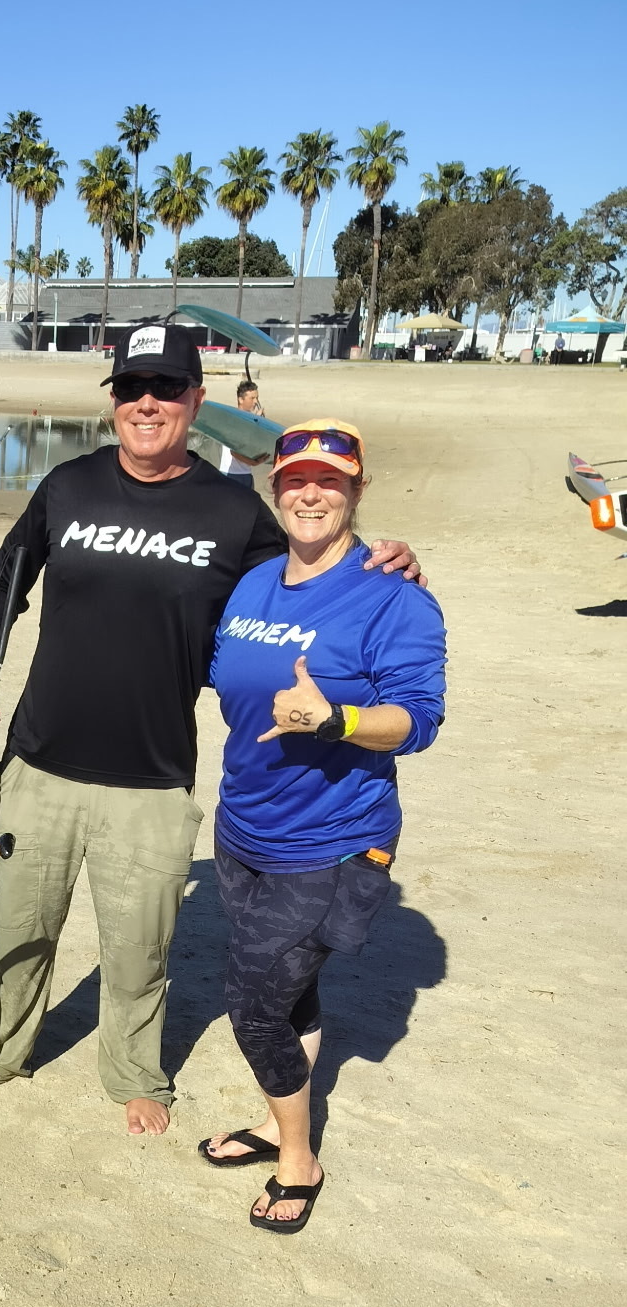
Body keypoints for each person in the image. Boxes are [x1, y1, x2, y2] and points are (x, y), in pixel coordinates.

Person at [0, 325, 421, 1136]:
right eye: (132, 389)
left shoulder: (233, 511)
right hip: (41, 758)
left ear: (196, 402)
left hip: (153, 775)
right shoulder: (69, 486)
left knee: (140, 948)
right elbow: (5, 577)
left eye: (166, 389)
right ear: (115, 403)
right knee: (21, 927)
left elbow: (314, 565)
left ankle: (134, 1071)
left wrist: (391, 561)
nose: (147, 405)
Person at [200, 421, 445, 1228]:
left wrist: (333, 717)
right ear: (276, 490)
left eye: (330, 482)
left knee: (255, 1004)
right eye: (297, 480)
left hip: (334, 840)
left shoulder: (395, 597)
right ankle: (279, 1121)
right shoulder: (257, 583)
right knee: (289, 987)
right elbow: (217, 668)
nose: (311, 494)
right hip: (243, 828)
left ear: (357, 492)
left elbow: (418, 719)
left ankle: (299, 1161)